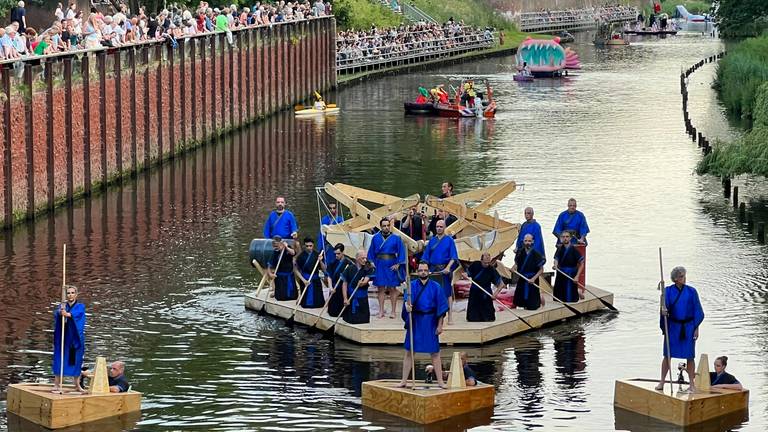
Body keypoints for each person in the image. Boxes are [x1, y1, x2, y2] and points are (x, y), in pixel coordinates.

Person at [399, 262, 449, 389]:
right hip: (415, 320)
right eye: (421, 270)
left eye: (425, 270)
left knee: (435, 353)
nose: (423, 272)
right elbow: (406, 301)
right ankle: (404, 380)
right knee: (409, 352)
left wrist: (440, 325)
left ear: (429, 272)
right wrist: (407, 307)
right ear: (417, 271)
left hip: (430, 321)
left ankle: (440, 382)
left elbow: (442, 308)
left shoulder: (436, 287)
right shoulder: (411, 286)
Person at [656, 266, 705, 391]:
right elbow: (664, 309)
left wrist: (696, 327)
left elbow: (697, 310)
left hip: (688, 327)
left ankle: (692, 384)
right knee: (667, 355)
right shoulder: (668, 291)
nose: (684, 278)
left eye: (684, 276)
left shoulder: (691, 291)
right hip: (672, 327)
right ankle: (662, 382)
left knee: (690, 356)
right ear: (676, 279)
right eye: (682, 276)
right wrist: (664, 311)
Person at [367, 218, 406, 319]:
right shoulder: (375, 238)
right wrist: (371, 262)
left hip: (391, 264)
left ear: (390, 226)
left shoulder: (396, 238)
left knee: (392, 288)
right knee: (380, 288)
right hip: (379, 264)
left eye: (388, 225)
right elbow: (371, 251)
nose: (386, 227)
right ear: (380, 227)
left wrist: (398, 264)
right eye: (384, 226)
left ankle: (393, 311)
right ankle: (381, 311)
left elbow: (402, 251)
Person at [422, 219, 458, 324]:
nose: (438, 228)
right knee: (432, 292)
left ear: (444, 227)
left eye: (441, 227)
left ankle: (450, 316)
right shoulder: (432, 241)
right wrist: (425, 269)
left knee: (447, 293)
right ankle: (434, 316)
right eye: (437, 226)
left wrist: (448, 268)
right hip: (433, 270)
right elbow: (425, 257)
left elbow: (454, 257)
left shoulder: (449, 240)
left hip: (444, 270)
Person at [52, 285, 86, 393]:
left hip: (74, 338)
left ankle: (77, 385)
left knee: (76, 360)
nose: (70, 295)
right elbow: (57, 313)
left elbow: (78, 315)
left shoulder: (80, 306)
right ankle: (56, 384)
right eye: (68, 293)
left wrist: (68, 314)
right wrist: (60, 313)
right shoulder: (62, 305)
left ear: (76, 294)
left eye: (72, 293)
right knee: (59, 358)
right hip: (63, 337)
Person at [464, 252, 504, 322]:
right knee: (473, 317)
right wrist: (465, 275)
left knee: (489, 317)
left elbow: (501, 284)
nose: (487, 264)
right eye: (485, 263)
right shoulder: (475, 264)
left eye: (488, 263)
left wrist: (495, 294)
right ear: (481, 260)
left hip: (486, 292)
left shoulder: (492, 269)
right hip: (474, 291)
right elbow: (468, 273)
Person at [513, 234, 545, 310]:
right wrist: (513, 268)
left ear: (533, 241)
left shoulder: (537, 254)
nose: (527, 243)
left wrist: (534, 278)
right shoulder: (520, 252)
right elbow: (516, 263)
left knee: (532, 303)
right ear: (523, 241)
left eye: (529, 241)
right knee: (520, 301)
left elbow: (541, 270)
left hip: (532, 279)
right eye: (526, 241)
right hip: (522, 278)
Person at [342, 250, 374, 324]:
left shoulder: (368, 268)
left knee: (363, 320)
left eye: (366, 258)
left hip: (362, 299)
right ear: (357, 258)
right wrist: (345, 298)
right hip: (351, 297)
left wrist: (362, 283)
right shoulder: (349, 268)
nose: (365, 260)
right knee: (350, 320)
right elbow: (344, 284)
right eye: (362, 258)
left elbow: (366, 280)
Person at [293, 238, 325, 308]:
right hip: (305, 280)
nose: (309, 248)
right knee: (305, 304)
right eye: (307, 246)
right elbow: (295, 270)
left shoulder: (318, 254)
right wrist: (303, 280)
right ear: (304, 246)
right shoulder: (301, 256)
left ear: (313, 245)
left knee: (319, 304)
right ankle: (301, 297)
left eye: (310, 246)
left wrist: (320, 261)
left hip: (315, 280)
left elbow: (324, 269)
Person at [552, 231, 583, 303]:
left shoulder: (574, 250)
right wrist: (555, 266)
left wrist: (577, 276)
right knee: (559, 296)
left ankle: (577, 294)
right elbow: (556, 259)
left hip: (571, 274)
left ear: (570, 238)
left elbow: (581, 264)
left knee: (570, 296)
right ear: (561, 238)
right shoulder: (559, 248)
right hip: (561, 273)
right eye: (563, 237)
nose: (565, 238)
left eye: (567, 236)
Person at [326, 244, 352, 317]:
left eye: (338, 254)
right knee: (332, 313)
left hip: (343, 289)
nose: (336, 255)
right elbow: (329, 276)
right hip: (334, 288)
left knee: (343, 313)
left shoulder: (349, 263)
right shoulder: (332, 262)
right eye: (335, 254)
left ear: (343, 252)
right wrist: (330, 287)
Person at [267, 236, 297, 301]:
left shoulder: (287, 248)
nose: (275, 247)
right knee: (280, 297)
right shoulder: (275, 252)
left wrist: (286, 247)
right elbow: (269, 264)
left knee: (291, 296)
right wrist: (270, 273)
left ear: (281, 243)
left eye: (277, 245)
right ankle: (276, 293)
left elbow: (293, 253)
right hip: (280, 276)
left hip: (288, 274)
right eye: (274, 246)